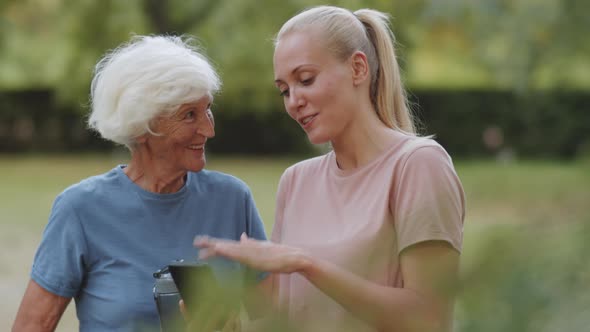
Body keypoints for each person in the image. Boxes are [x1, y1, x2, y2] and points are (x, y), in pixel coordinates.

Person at [194, 5, 465, 332]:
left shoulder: (419, 164)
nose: (294, 100)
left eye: (305, 80)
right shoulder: (296, 181)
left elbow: (428, 319)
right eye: (284, 90)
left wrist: (308, 265)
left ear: (358, 68)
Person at [12, 35, 267, 332]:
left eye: (207, 108)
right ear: (142, 125)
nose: (208, 129)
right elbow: (32, 326)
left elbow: (275, 320)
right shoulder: (80, 209)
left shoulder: (233, 200)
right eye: (189, 115)